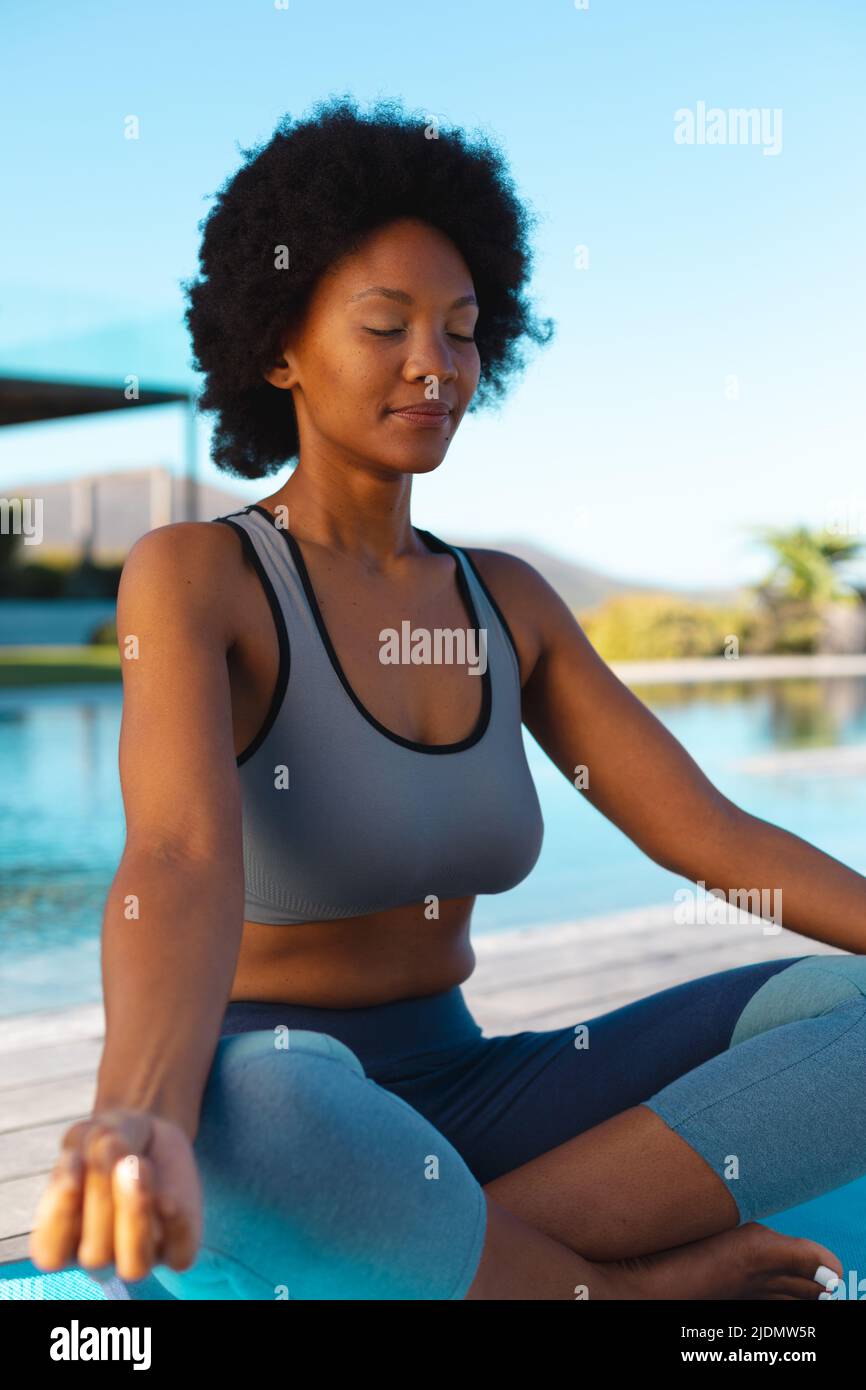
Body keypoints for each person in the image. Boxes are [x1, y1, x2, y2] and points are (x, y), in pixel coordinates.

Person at [29, 96, 866, 1300]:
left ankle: (451, 1263)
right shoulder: (199, 576)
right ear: (277, 351)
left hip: (470, 1096)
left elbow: (710, 835)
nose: (437, 364)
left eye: (464, 331)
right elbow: (172, 854)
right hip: (280, 1105)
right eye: (386, 325)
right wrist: (137, 1111)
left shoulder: (507, 603)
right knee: (259, 1110)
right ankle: (617, 1288)